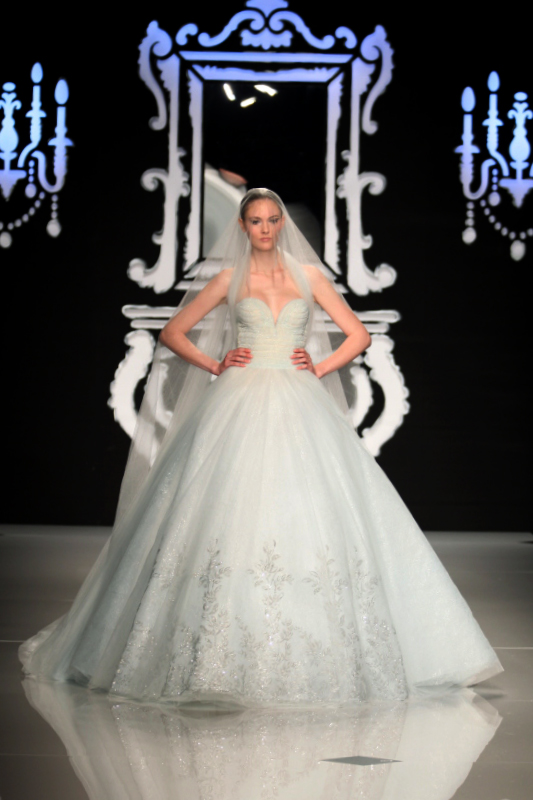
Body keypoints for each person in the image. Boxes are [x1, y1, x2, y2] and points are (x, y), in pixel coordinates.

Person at [20, 188, 503, 706]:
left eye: (273, 220)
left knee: (306, 510)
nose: (266, 229)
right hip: (239, 396)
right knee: (226, 510)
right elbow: (174, 332)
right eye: (256, 221)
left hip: (297, 398)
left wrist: (319, 367)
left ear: (281, 224)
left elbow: (358, 334)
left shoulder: (308, 276)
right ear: (243, 226)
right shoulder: (229, 279)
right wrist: (215, 363)